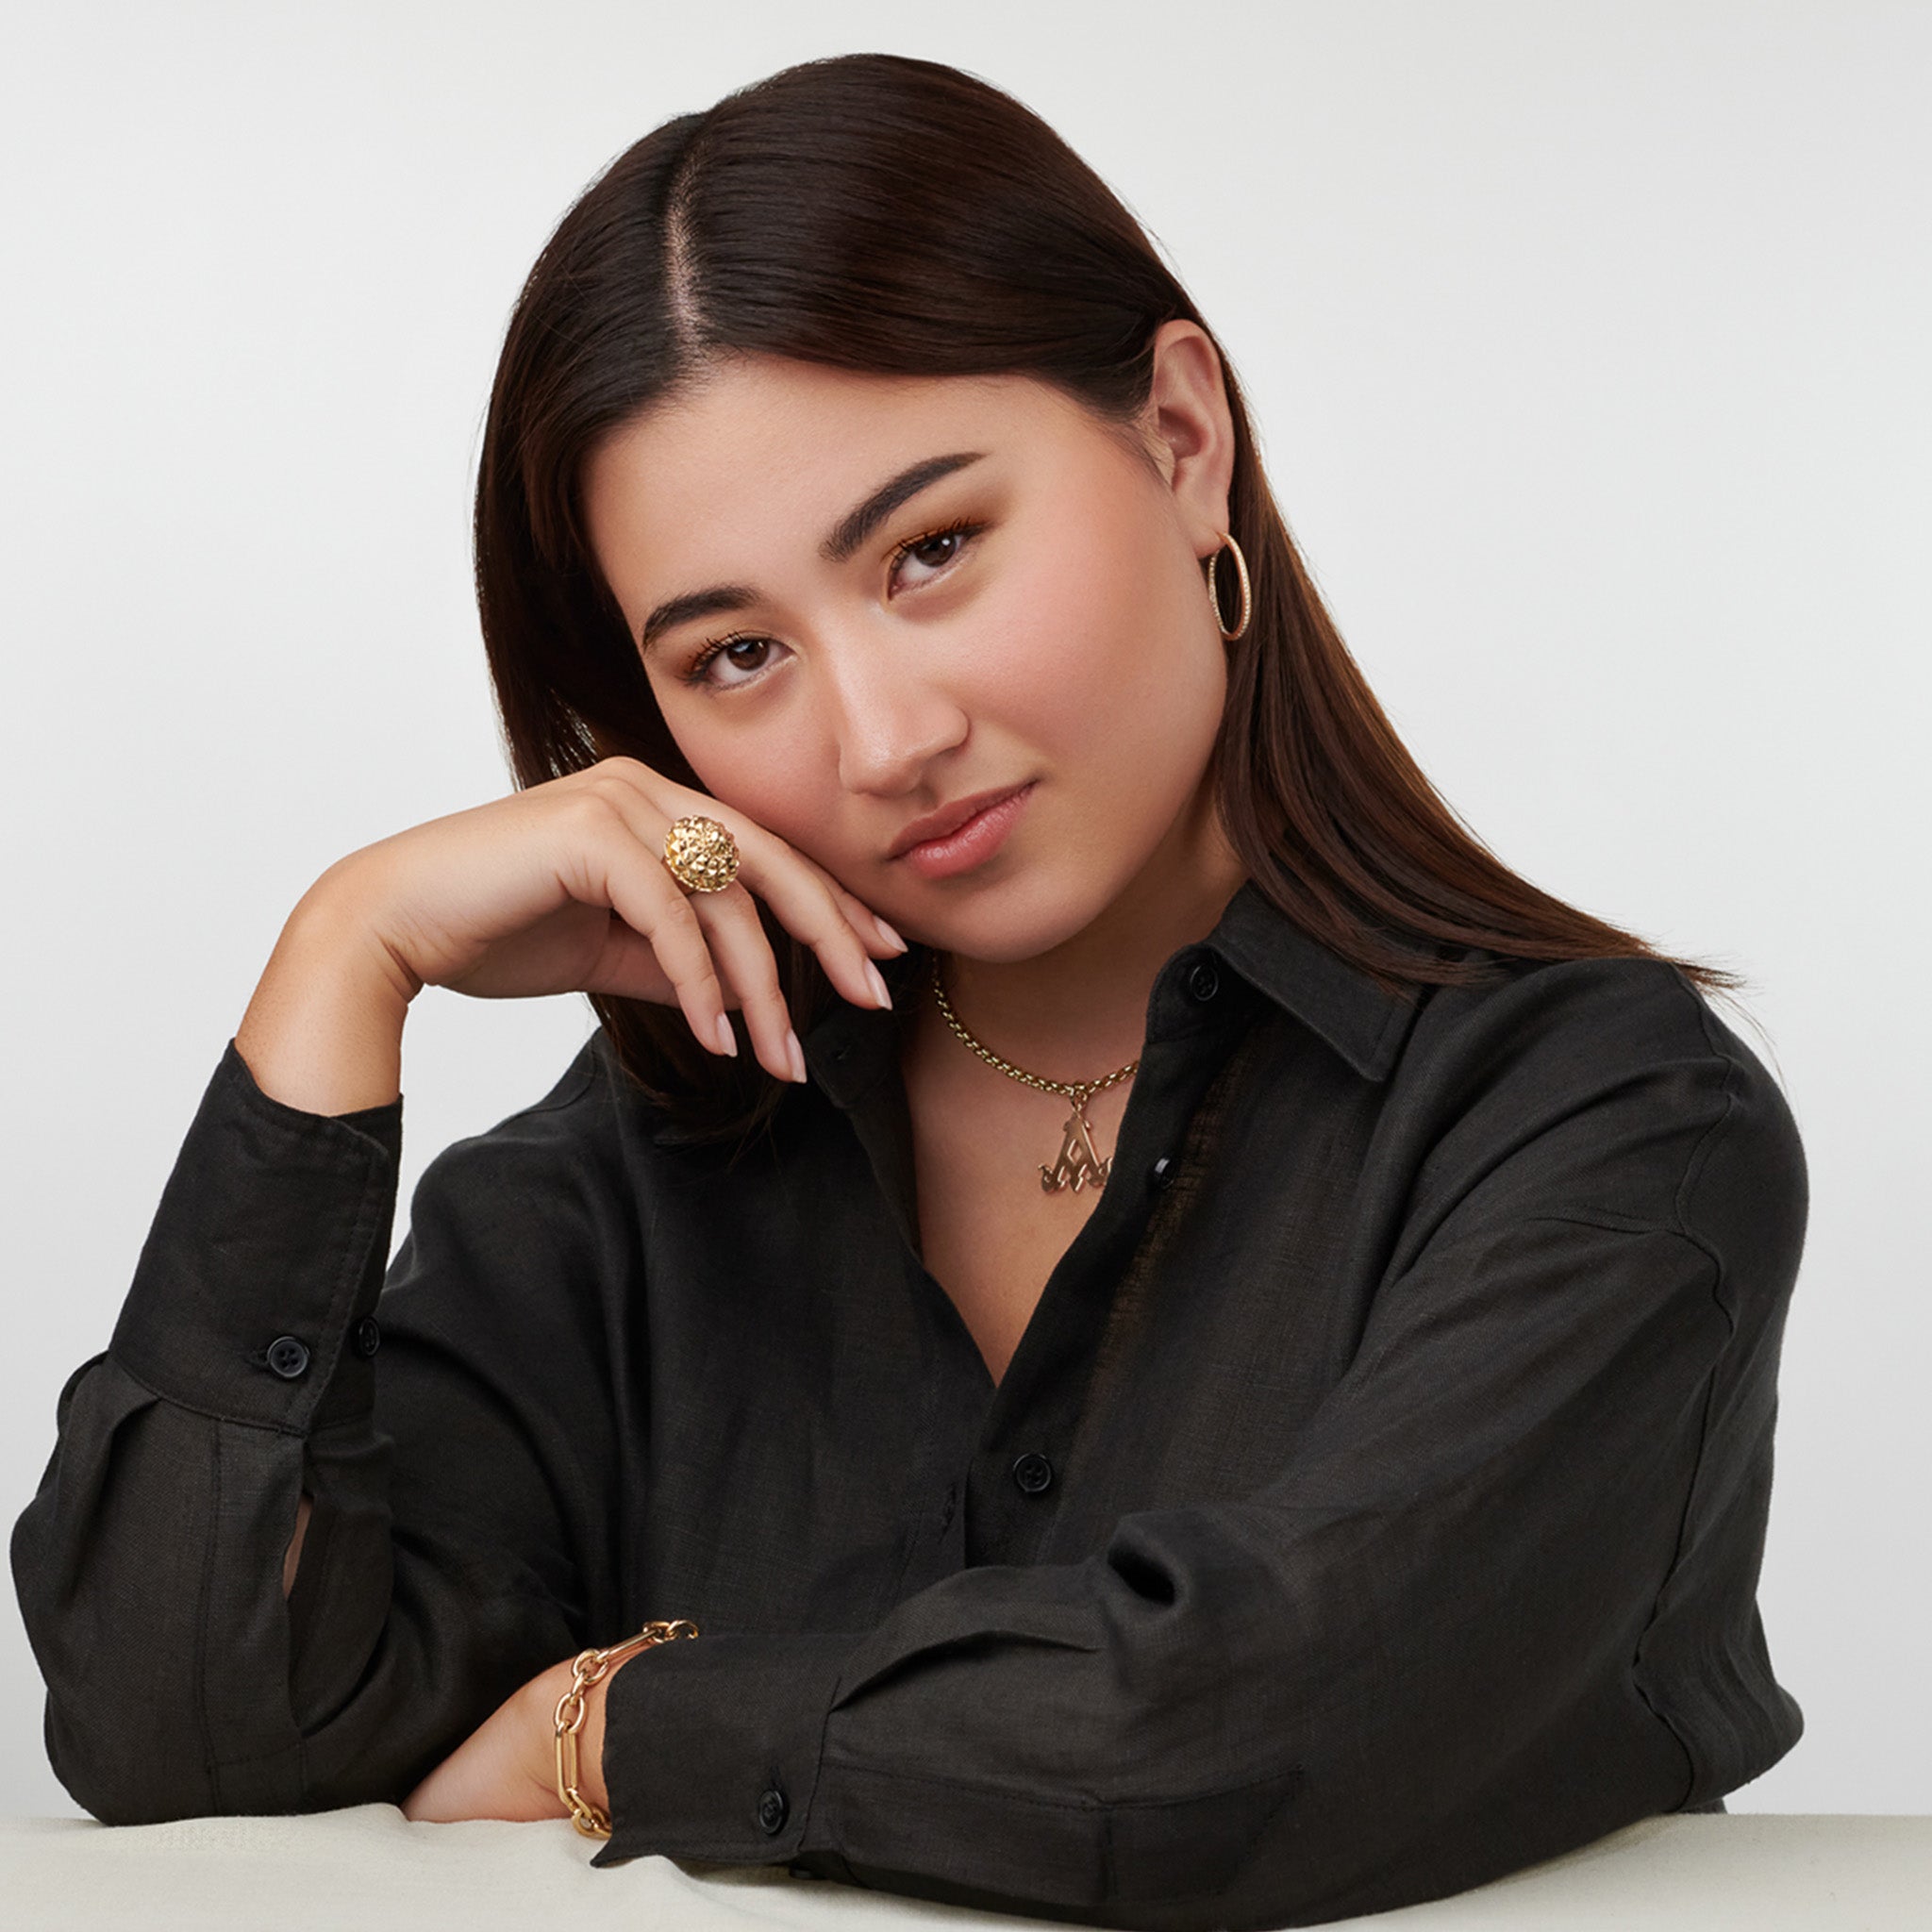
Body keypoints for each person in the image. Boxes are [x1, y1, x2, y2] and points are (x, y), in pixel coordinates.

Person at [9, 50, 1806, 1932]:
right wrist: (339, 961)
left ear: (1181, 439)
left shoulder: (1602, 1130)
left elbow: (1245, 1740)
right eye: (733, 655)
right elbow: (185, 1737)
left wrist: (622, 1726)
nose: (880, 738)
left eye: (931, 551)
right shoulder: (654, 1162)